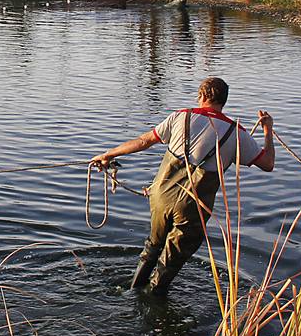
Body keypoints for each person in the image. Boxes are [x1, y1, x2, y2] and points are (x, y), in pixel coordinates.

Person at [91, 77, 274, 295]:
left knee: (153, 245)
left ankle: (131, 290)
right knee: (171, 260)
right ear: (223, 101)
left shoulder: (180, 116)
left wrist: (108, 154)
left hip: (161, 197)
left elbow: (143, 141)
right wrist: (267, 131)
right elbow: (268, 164)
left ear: (202, 96)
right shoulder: (237, 133)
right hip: (193, 205)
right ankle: (150, 300)